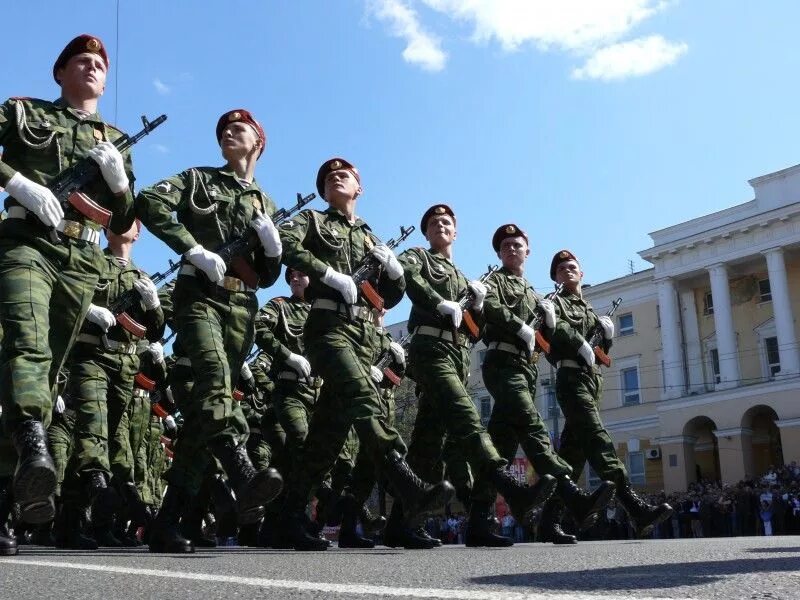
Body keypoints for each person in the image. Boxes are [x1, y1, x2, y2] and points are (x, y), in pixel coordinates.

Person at [0, 34, 136, 556]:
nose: (93, 67)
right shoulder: (23, 113)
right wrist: (17, 183)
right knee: (28, 349)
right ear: (60, 73)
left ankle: (12, 499)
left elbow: (123, 222)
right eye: (82, 61)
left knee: (40, 370)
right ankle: (35, 448)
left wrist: (119, 182)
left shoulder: (114, 139)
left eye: (100, 63)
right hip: (26, 243)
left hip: (82, 260)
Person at [278, 158, 452, 551]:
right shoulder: (312, 222)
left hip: (361, 334)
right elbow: (285, 244)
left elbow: (383, 299)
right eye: (329, 177)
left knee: (327, 436)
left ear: (360, 188)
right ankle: (405, 480)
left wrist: (395, 276)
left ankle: (288, 515)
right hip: (326, 329)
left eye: (346, 175)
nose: (336, 177)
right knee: (363, 395)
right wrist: (327, 274)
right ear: (324, 191)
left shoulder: (370, 237)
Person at [136, 108, 283, 552]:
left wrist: (273, 250)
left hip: (243, 307)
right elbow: (149, 201)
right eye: (222, 130)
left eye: (238, 129)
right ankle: (242, 473)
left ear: (258, 141)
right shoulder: (199, 179)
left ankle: (166, 523)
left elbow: (267, 274)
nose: (227, 134)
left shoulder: (267, 203)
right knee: (214, 376)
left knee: (202, 420)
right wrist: (193, 249)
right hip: (199, 294)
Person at [393, 206, 556, 550]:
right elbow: (409, 277)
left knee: (427, 443)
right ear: (426, 233)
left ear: (456, 233)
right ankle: (511, 489)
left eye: (447, 223)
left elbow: (476, 332)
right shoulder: (418, 255)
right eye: (434, 223)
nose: (440, 226)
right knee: (467, 418)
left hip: (456, 356)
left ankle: (400, 522)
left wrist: (477, 307)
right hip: (429, 349)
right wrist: (440, 303)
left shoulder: (464, 277)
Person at [473, 224, 614, 547]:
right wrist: (518, 325)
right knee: (534, 426)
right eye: (506, 245)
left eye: (517, 245)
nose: (511, 249)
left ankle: (480, 521)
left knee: (502, 447)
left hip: (526, 370)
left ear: (527, 251)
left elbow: (553, 341)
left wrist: (559, 326)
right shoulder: (494, 280)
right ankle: (571, 494)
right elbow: (490, 308)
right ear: (499, 253)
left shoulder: (536, 296)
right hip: (500, 363)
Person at [547, 249, 673, 538]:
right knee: (597, 437)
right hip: (571, 377)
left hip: (592, 380)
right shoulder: (554, 303)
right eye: (561, 269)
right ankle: (634, 507)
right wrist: (578, 340)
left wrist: (606, 337)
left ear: (582, 273)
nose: (567, 270)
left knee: (571, 455)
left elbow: (601, 355)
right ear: (555, 277)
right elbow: (553, 332)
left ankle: (549, 519)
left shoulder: (590, 310)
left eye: (571, 266)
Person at [58, 219, 164, 548]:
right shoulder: (92, 261)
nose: (124, 222)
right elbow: (64, 292)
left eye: (131, 219)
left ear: (139, 232)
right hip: (91, 357)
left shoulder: (142, 277)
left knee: (110, 442)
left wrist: (153, 305)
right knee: (93, 428)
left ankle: (78, 525)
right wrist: (87, 309)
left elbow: (156, 331)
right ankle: (101, 490)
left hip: (126, 366)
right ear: (106, 228)